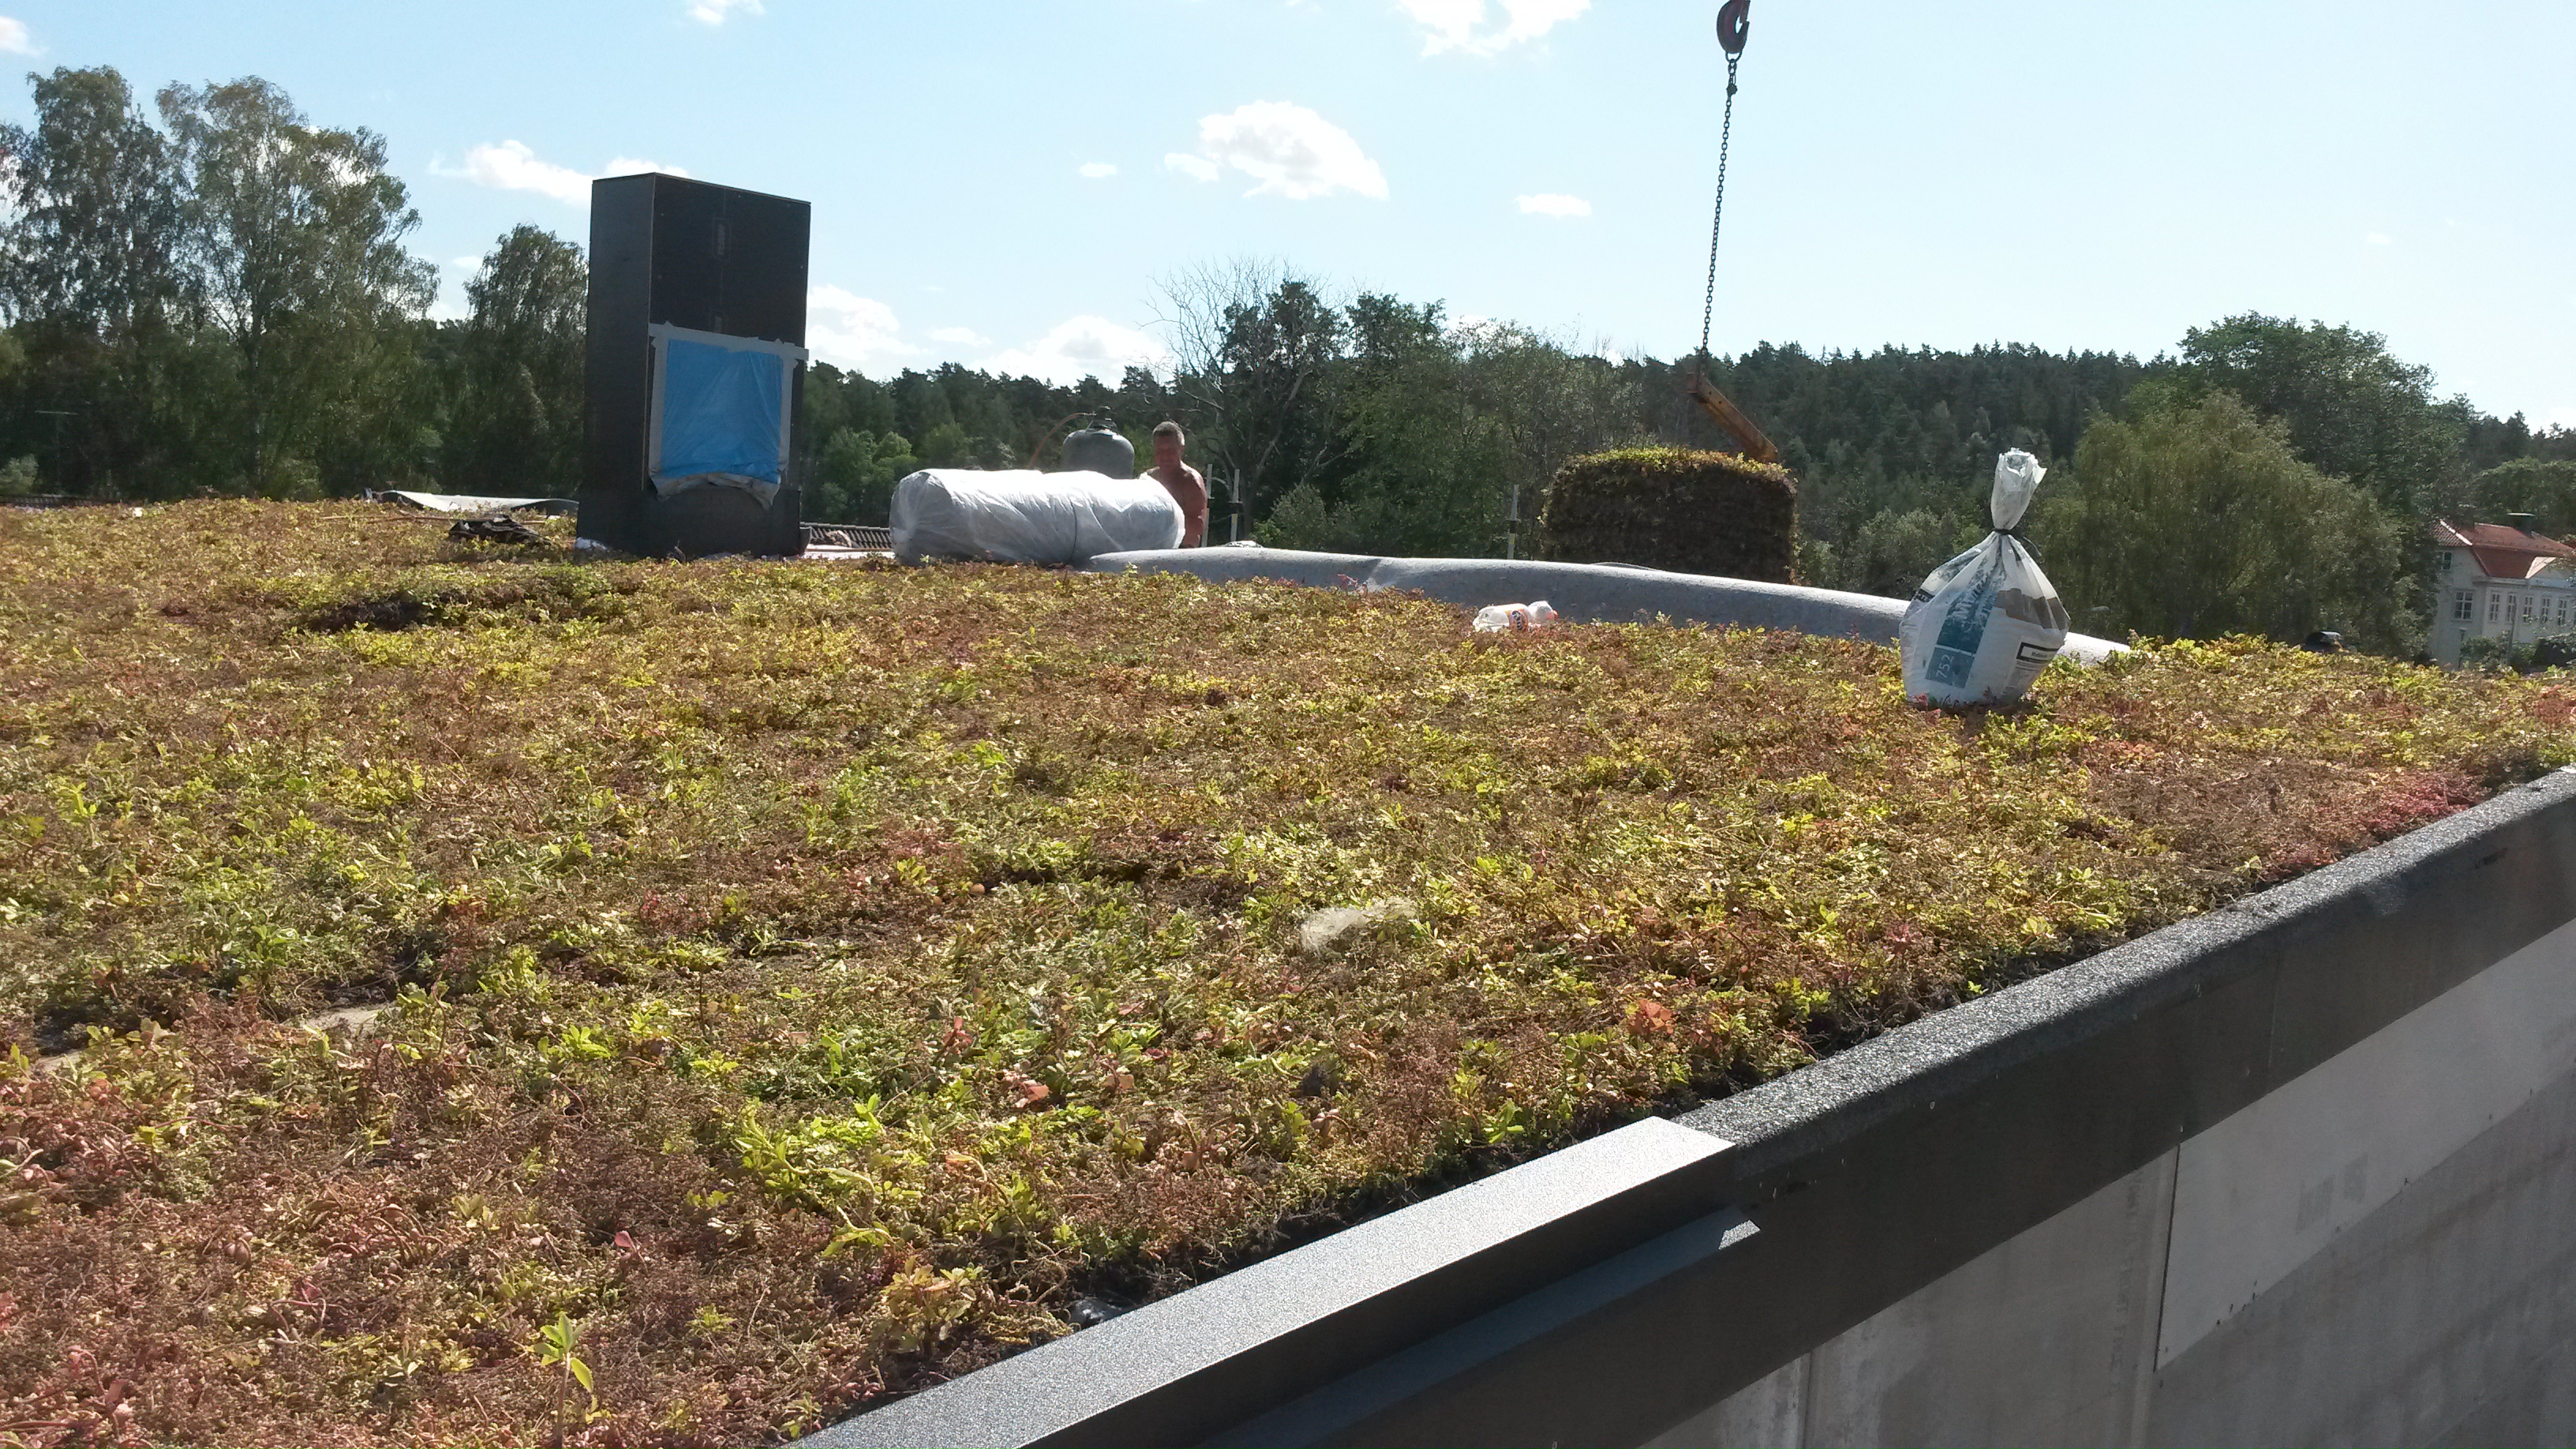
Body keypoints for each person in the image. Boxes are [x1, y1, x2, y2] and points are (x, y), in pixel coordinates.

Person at [1144, 421, 1209, 548]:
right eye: (1160, 451)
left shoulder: (1191, 481)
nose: (1165, 456)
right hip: (1150, 549)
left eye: (1171, 450)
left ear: (1182, 449)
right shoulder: (1148, 479)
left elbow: (1196, 526)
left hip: (1181, 552)